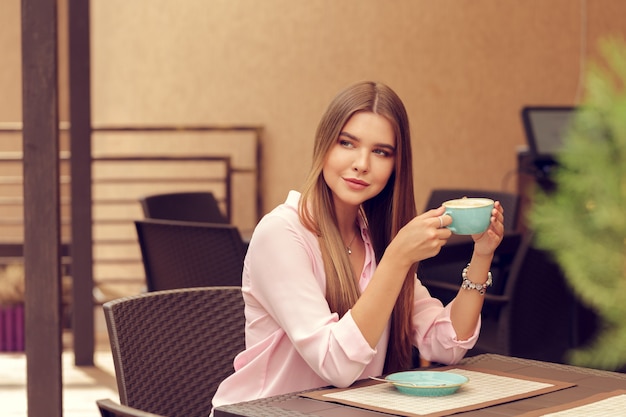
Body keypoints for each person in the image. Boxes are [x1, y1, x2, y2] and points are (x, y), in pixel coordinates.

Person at [211, 81, 504, 410]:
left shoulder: (372, 237)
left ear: (396, 166)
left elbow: (445, 343)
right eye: (347, 143)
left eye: (381, 152)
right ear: (324, 146)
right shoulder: (281, 234)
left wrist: (482, 254)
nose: (362, 163)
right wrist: (397, 258)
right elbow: (335, 363)